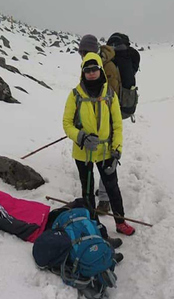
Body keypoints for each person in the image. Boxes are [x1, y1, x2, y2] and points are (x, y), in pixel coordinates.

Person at [0, 161, 124, 250]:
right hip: (38, 230)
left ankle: (102, 237)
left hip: (45, 215)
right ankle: (100, 250)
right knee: (75, 229)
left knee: (83, 204)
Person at [62, 52, 135, 236]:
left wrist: (117, 150)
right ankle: (92, 224)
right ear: (83, 72)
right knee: (87, 191)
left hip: (106, 152)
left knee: (112, 188)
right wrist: (81, 137)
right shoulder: (75, 95)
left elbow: (117, 125)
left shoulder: (110, 94)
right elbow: (67, 124)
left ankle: (120, 222)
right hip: (82, 153)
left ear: (100, 70)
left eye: (95, 69)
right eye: (88, 70)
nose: (92, 73)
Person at [96, 32, 141, 215]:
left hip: (109, 112)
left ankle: (105, 200)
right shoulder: (127, 59)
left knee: (106, 155)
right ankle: (105, 191)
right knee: (107, 152)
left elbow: (108, 90)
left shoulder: (110, 62)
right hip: (123, 108)